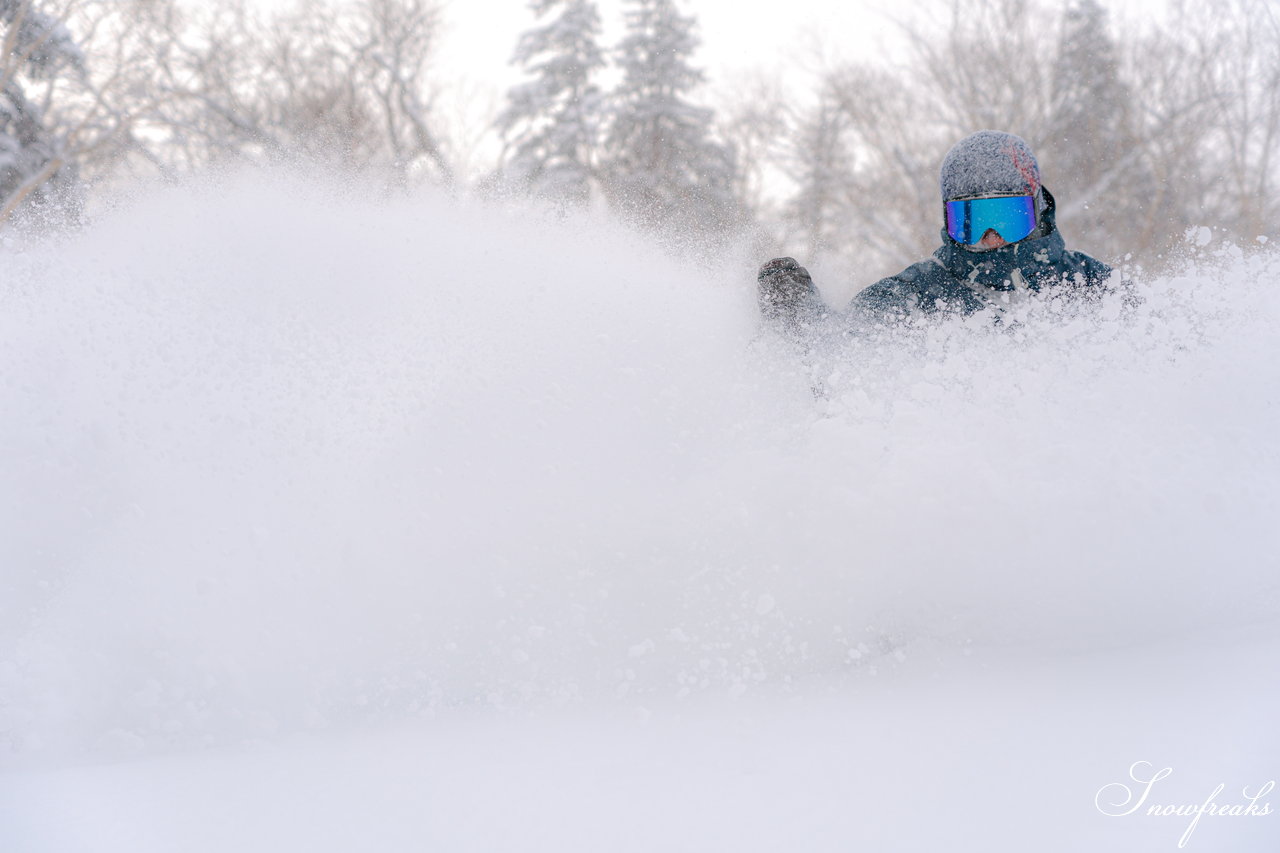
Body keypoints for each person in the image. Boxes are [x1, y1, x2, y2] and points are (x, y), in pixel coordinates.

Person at [758, 130, 1112, 331]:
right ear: (948, 221)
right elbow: (842, 350)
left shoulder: (1091, 287)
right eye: (970, 222)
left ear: (1038, 209)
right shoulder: (917, 295)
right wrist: (798, 318)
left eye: (1006, 217)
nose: (992, 236)